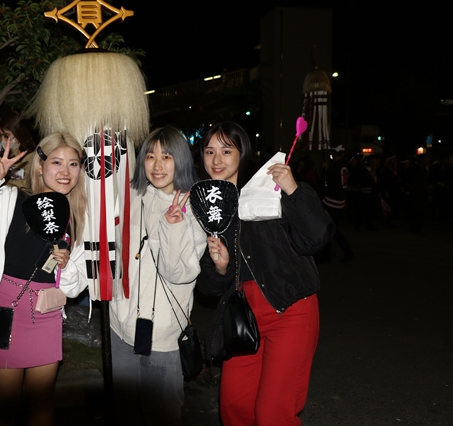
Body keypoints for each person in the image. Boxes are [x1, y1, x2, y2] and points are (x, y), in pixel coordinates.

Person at [0, 132, 89, 426]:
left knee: (41, 403)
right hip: (5, 310)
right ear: (40, 165)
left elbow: (77, 285)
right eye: (57, 162)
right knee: (6, 406)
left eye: (73, 164)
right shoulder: (9, 200)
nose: (65, 171)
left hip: (46, 314)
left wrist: (66, 267)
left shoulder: (77, 215)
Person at [196, 121, 334, 426]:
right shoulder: (207, 208)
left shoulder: (269, 190)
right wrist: (220, 267)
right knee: (234, 407)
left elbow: (317, 237)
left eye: (226, 151)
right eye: (209, 151)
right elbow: (208, 287)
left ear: (242, 153)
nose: (217, 159)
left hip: (290, 309)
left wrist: (293, 190)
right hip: (243, 317)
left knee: (273, 414)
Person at [109, 126, 206, 425]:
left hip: (162, 335)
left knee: (162, 415)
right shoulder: (131, 197)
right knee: (124, 411)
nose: (157, 165)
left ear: (181, 160)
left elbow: (178, 273)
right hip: (119, 325)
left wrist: (173, 227)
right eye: (150, 156)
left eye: (167, 156)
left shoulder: (193, 209)